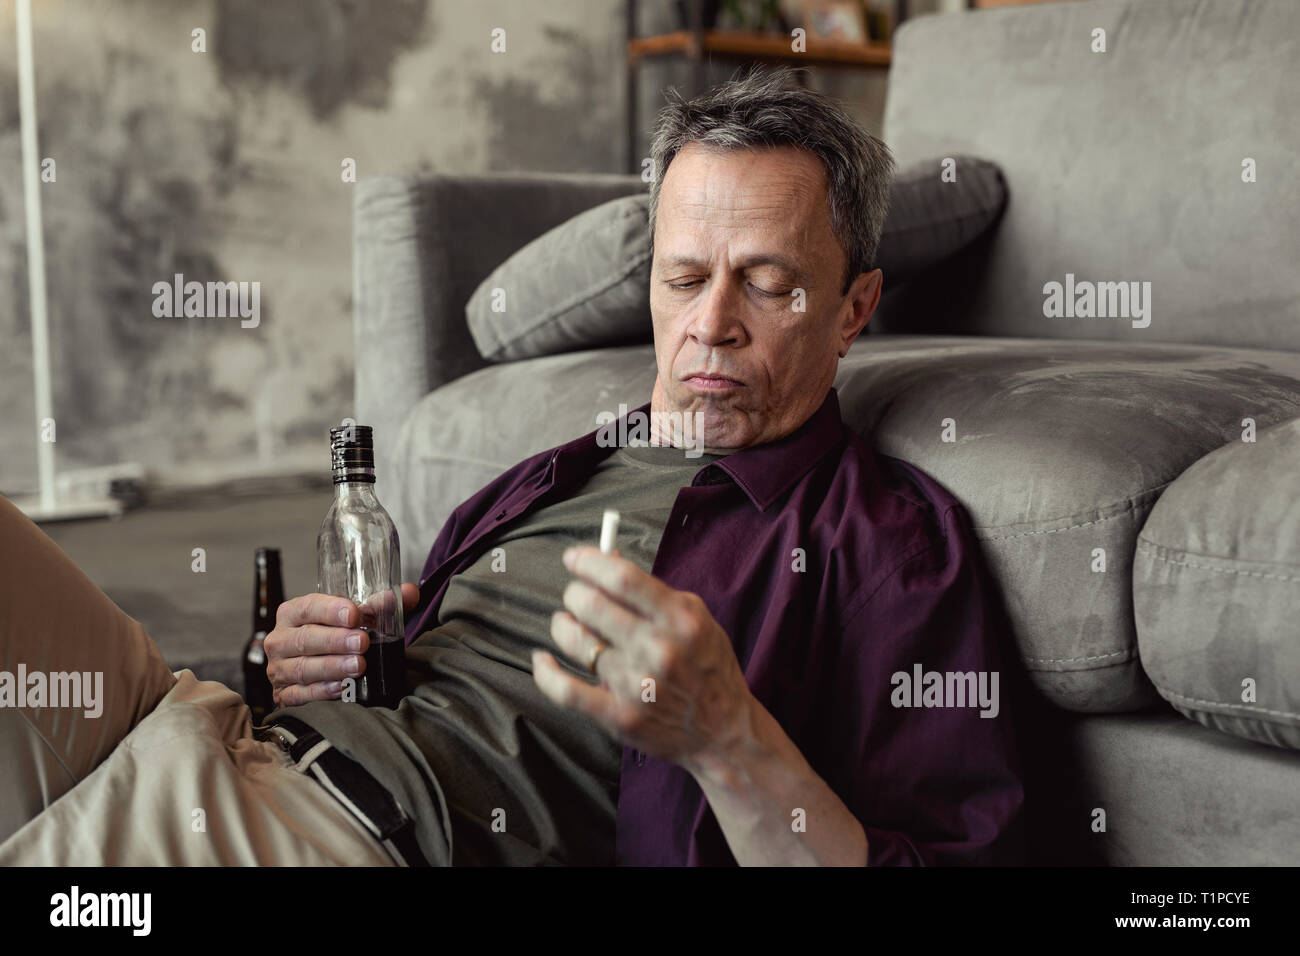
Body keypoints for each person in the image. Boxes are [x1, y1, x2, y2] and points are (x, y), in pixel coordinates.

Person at [0, 66, 1022, 866]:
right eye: (684, 278)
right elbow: (400, 686)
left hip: (335, 835)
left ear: (852, 308)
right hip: (204, 728)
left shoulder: (886, 545)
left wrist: (727, 741)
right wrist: (290, 670)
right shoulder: (551, 475)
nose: (711, 324)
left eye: (766, 283)